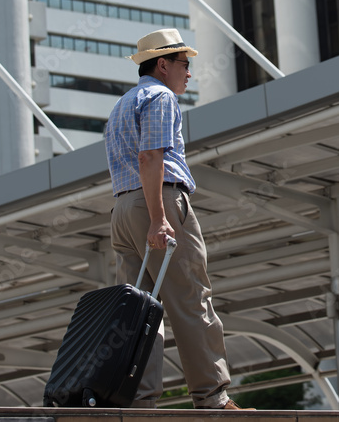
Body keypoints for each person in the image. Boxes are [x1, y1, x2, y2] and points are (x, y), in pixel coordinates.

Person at [105, 28, 252, 410]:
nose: (189, 72)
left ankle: (139, 403)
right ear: (163, 64)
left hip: (121, 210)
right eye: (185, 64)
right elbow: (150, 157)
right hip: (158, 202)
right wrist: (159, 217)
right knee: (191, 298)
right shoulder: (160, 96)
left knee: (141, 311)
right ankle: (213, 398)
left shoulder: (121, 105)